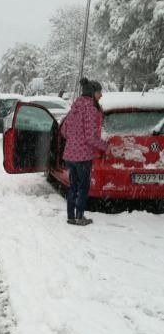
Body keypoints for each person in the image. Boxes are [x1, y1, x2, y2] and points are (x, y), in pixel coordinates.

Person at [60, 77, 108, 226]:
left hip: (70, 155)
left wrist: (74, 140)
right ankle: (80, 217)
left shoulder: (75, 107)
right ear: (93, 93)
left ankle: (71, 216)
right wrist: (106, 146)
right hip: (82, 157)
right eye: (100, 92)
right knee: (83, 187)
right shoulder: (90, 110)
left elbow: (64, 131)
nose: (101, 95)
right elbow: (91, 138)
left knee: (73, 186)